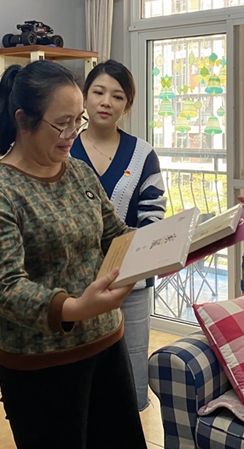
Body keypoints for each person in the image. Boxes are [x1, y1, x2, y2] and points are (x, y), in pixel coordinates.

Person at [0, 60, 147, 449]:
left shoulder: (78, 173)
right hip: (44, 366)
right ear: (23, 120)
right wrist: (75, 308)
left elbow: (115, 236)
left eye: (78, 121)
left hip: (106, 345)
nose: (72, 135)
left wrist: (169, 241)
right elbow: (6, 289)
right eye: (62, 124)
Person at [70, 59, 166, 411]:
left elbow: (153, 216)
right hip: (75, 284)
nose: (106, 102)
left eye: (117, 96)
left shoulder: (142, 154)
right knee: (82, 371)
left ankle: (128, 429)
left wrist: (131, 263)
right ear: (84, 97)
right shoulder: (64, 149)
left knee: (131, 364)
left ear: (128, 105)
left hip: (131, 283)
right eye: (98, 92)